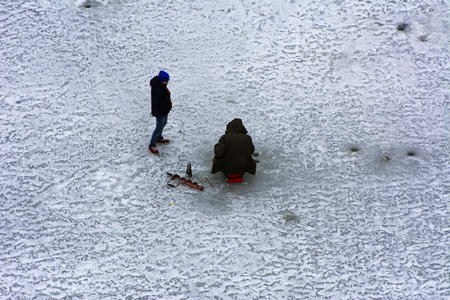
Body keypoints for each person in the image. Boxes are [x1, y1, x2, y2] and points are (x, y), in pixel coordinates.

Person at [149, 70, 172, 154]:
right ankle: (152, 144)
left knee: (164, 123)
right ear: (162, 80)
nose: (168, 81)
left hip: (164, 110)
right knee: (159, 127)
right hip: (160, 111)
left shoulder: (161, 85)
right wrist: (167, 101)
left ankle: (159, 137)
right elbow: (158, 102)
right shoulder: (158, 89)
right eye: (166, 80)